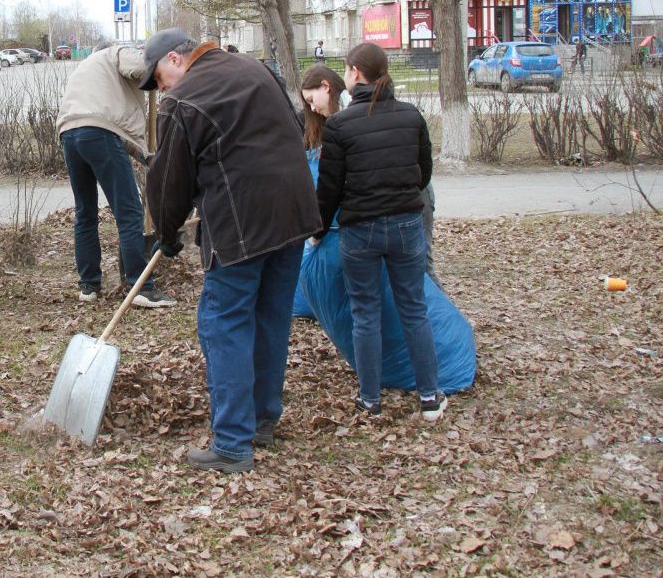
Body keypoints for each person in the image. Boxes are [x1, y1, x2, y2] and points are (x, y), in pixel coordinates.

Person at [143, 28, 321, 474]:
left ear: (175, 59)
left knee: (223, 323)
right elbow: (295, 129)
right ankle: (261, 420)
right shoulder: (254, 68)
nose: (160, 88)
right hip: (294, 211)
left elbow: (169, 181)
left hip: (242, 226)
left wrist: (164, 232)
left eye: (158, 77)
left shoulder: (181, 101)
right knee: (269, 318)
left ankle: (232, 443)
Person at [316, 42, 445, 422]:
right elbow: (424, 171)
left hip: (360, 231)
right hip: (407, 225)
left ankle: (370, 400)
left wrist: (318, 229)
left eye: (347, 70)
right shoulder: (411, 116)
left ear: (355, 73)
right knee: (414, 309)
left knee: (365, 314)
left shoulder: (340, 125)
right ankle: (429, 398)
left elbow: (329, 189)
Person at [56, 42, 174, 308]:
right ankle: (141, 286)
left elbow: (109, 129)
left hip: (69, 134)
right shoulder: (116, 52)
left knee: (85, 212)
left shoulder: (87, 70)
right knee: (129, 211)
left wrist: (144, 155)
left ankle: (89, 285)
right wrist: (156, 64)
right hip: (98, 132)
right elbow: (143, 66)